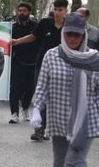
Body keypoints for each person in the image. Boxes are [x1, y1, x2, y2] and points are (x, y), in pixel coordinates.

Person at [31, 12, 99, 167]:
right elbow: (42, 85)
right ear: (63, 33)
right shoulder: (52, 55)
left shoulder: (94, 58)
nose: (73, 39)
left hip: (85, 121)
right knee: (60, 162)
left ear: (84, 36)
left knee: (75, 161)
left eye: (77, 35)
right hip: (59, 119)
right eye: (69, 34)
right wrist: (37, 109)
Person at [12, 0, 67, 141]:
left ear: (66, 11)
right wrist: (17, 41)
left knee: (56, 98)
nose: (57, 12)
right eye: (55, 9)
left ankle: (55, 127)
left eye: (60, 10)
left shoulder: (69, 26)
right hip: (42, 65)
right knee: (40, 95)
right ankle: (39, 129)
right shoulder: (44, 23)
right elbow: (32, 37)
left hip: (63, 68)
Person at [9, 2, 39, 124]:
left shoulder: (36, 26)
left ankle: (25, 108)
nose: (21, 13)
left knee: (30, 88)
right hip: (17, 61)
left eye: (24, 11)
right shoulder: (12, 27)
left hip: (32, 62)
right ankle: (14, 113)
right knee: (15, 88)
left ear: (29, 12)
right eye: (20, 10)